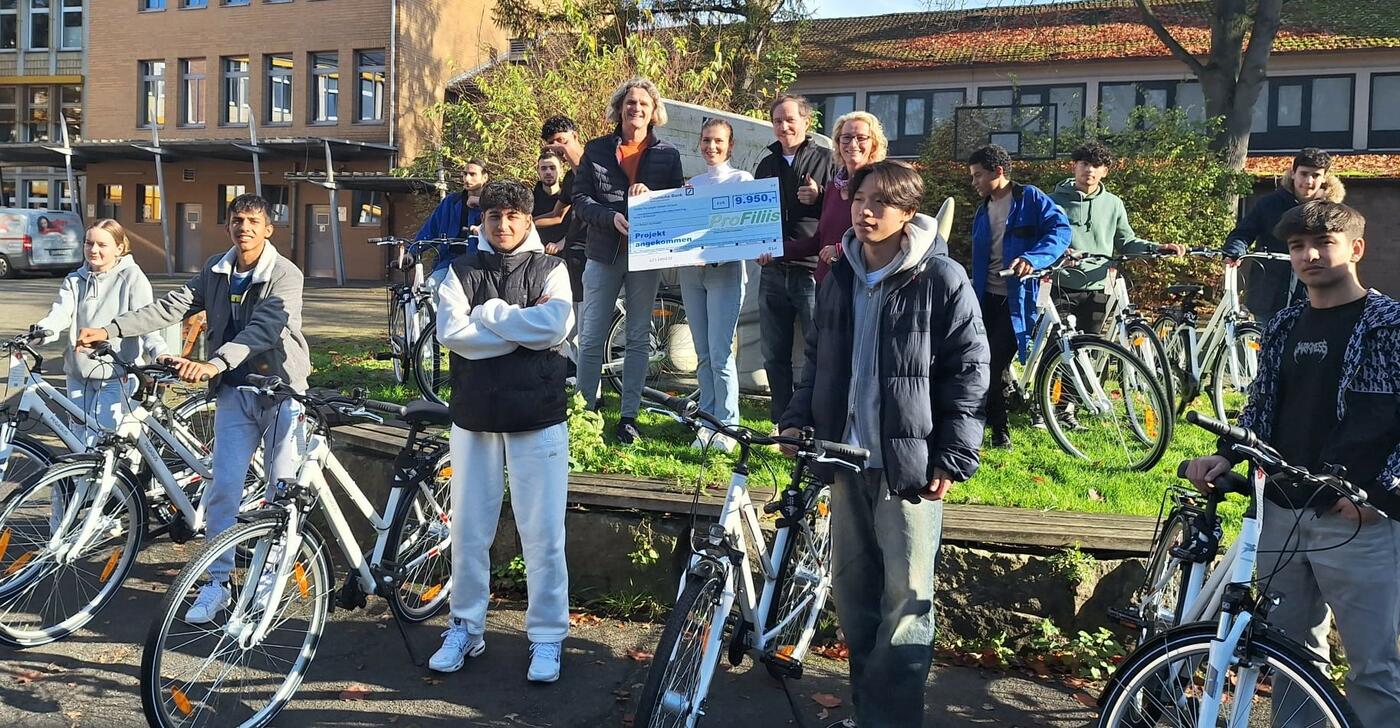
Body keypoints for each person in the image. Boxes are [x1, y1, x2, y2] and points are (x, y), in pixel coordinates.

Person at [780, 160, 989, 728]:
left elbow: (969, 371)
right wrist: (799, 419)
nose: (865, 211)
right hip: (844, 460)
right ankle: (868, 712)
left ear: (908, 213)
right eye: (858, 199)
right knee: (855, 598)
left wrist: (953, 454)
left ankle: (889, 722)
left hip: (909, 468)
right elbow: (817, 359)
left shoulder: (941, 278)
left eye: (880, 202)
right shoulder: (841, 274)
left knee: (907, 604)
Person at [1182, 201, 1400, 727]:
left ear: (1356, 248)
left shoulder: (1390, 325)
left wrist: (1385, 493)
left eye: (1323, 242)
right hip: (1279, 510)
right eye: (1298, 246)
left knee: (1374, 669)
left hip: (1358, 520)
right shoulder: (1282, 325)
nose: (1309, 255)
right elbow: (1261, 407)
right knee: (1292, 661)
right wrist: (1227, 454)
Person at [76, 194, 310, 625]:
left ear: (268, 228)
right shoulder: (216, 270)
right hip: (236, 394)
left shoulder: (284, 274)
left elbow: (266, 328)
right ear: (228, 226)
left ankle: (267, 579)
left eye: (254, 221)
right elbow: (170, 306)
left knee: (281, 491)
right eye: (238, 220)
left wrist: (214, 362)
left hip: (281, 393)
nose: (245, 228)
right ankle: (216, 583)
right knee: (223, 489)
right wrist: (110, 329)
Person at [428, 180, 575, 683]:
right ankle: (466, 628)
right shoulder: (459, 271)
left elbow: (554, 328)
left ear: (529, 219)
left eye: (514, 215)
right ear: (483, 220)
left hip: (539, 415)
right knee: (468, 532)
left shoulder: (552, 269)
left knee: (543, 536)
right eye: (495, 216)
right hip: (475, 418)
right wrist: (518, 330)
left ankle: (547, 637)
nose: (504, 224)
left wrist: (489, 315)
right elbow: (453, 335)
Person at [571, 78, 684, 444]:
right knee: (590, 337)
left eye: (644, 104)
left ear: (654, 113)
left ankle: (628, 416)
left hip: (646, 254)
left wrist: (652, 198)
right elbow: (581, 199)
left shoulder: (668, 154)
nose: (636, 109)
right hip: (604, 252)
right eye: (630, 102)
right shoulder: (597, 149)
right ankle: (585, 411)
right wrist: (610, 217)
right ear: (619, 108)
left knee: (638, 337)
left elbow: (676, 202)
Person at [968, 144, 1071, 450]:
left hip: (1017, 301)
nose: (973, 183)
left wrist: (1034, 258)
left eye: (977, 176)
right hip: (984, 297)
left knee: (995, 362)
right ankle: (986, 423)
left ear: (998, 172)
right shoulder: (982, 210)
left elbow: (1060, 231)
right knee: (979, 362)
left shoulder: (1031, 198)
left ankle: (1000, 432)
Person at [31, 219, 167, 446]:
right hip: (77, 373)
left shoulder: (132, 277)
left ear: (119, 248)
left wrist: (159, 353)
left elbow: (146, 322)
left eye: (102, 245)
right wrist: (43, 331)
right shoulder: (75, 279)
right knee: (77, 439)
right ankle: (77, 482)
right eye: (89, 243)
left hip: (115, 375)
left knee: (98, 441)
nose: (93, 250)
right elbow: (61, 313)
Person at [755, 93, 835, 427]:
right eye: (778, 120)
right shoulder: (766, 163)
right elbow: (752, 215)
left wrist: (818, 197)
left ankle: (815, 419)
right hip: (772, 269)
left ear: (806, 121)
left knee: (817, 350)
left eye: (790, 119)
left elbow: (840, 207)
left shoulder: (828, 159)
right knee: (774, 354)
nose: (784, 126)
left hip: (810, 268)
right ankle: (782, 422)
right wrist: (755, 244)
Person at [1049, 141, 1183, 335]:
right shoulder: (1051, 202)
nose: (1089, 170)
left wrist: (1156, 248)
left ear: (1105, 171)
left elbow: (1126, 241)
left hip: (1099, 288)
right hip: (1061, 286)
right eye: (1084, 163)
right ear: (1074, 166)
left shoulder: (1113, 204)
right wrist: (1060, 253)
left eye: (1096, 165)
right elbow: (1040, 240)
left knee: (1090, 347)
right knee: (1058, 347)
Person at [679, 118, 753, 452]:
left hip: (726, 273)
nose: (711, 147)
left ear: (730, 145)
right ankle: (707, 424)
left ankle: (728, 427)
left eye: (718, 141)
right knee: (704, 354)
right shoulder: (692, 184)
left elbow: (744, 229)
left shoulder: (742, 180)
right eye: (706, 140)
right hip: (692, 274)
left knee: (721, 354)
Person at [1222, 147, 1345, 327]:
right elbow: (1243, 232)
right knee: (1264, 348)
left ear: (1324, 177)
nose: (1308, 181)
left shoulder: (1331, 212)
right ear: (1293, 173)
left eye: (1315, 175)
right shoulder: (1269, 204)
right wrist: (1235, 251)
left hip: (1313, 294)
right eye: (1304, 174)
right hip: (1268, 293)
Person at [774, 110, 888, 284]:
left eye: (861, 137)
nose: (853, 143)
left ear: (874, 144)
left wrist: (842, 250)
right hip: (826, 283)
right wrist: (774, 250)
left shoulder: (882, 185)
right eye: (846, 137)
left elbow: (887, 236)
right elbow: (819, 241)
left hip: (860, 284)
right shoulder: (833, 188)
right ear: (838, 143)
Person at [540, 115, 589, 304]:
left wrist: (566, 151)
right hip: (574, 252)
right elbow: (557, 215)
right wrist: (525, 221)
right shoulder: (569, 177)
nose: (558, 148)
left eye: (562, 141)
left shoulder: (596, 161)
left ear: (575, 136)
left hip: (598, 251)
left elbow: (586, 174)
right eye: (552, 143)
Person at [417, 159, 491, 272]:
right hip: (450, 260)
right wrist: (412, 252)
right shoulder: (451, 201)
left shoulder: (494, 203)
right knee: (432, 285)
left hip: (480, 264)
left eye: (472, 174)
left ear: (484, 177)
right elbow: (430, 229)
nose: (467, 179)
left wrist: (480, 201)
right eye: (465, 174)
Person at [532, 149, 571, 250]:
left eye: (552, 168)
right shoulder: (529, 199)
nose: (548, 172)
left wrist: (562, 243)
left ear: (561, 170)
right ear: (538, 171)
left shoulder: (572, 196)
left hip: (567, 252)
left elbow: (578, 228)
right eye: (544, 168)